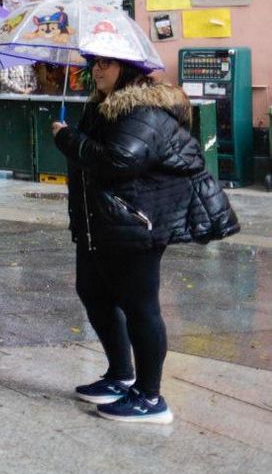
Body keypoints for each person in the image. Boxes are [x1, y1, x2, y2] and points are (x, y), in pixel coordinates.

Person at [51, 56, 235, 424]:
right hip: (100, 223)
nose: (97, 71)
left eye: (106, 65)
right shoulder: (102, 107)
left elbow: (119, 161)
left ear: (127, 68)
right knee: (94, 292)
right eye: (94, 65)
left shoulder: (144, 111)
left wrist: (66, 137)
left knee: (140, 306)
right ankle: (121, 375)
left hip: (136, 223)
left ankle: (151, 398)